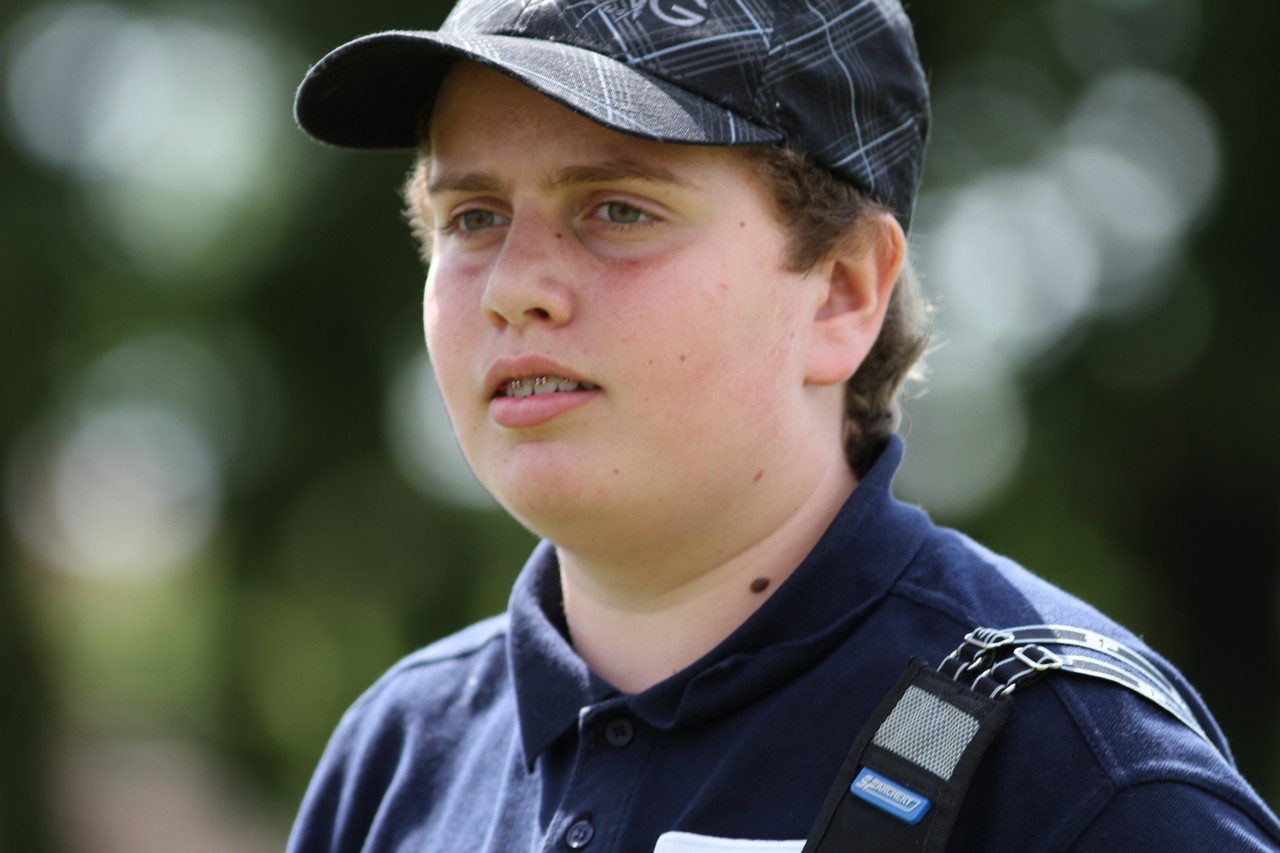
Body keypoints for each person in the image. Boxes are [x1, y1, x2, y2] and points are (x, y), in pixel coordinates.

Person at [288, 1, 1280, 850]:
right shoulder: (398, 756)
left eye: (617, 210)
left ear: (841, 293)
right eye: (472, 217)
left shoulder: (1075, 774)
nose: (514, 289)